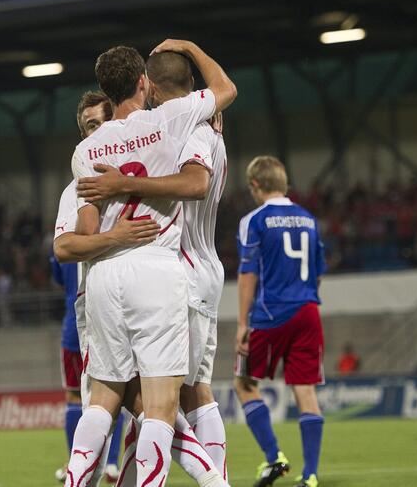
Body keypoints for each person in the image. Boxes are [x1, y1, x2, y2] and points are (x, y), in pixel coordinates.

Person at [59, 39, 236, 487]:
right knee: (162, 404)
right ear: (143, 83)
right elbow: (225, 89)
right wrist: (191, 47)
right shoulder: (168, 120)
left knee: (102, 399)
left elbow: (84, 231)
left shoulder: (86, 151)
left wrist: (114, 222)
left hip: (103, 272)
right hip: (156, 266)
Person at [234, 156, 326, 487]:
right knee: (305, 390)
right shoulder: (309, 219)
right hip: (308, 312)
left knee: (243, 383)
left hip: (270, 314)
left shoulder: (254, 221)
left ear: (255, 185)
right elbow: (318, 275)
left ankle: (275, 458)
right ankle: (311, 474)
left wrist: (243, 324)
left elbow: (248, 274)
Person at [51, 91, 125, 485]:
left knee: (159, 406)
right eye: (90, 127)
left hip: (149, 304)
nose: (97, 134)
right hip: (91, 314)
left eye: (103, 123)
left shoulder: (147, 174)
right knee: (118, 404)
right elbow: (63, 251)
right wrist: (118, 236)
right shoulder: (75, 192)